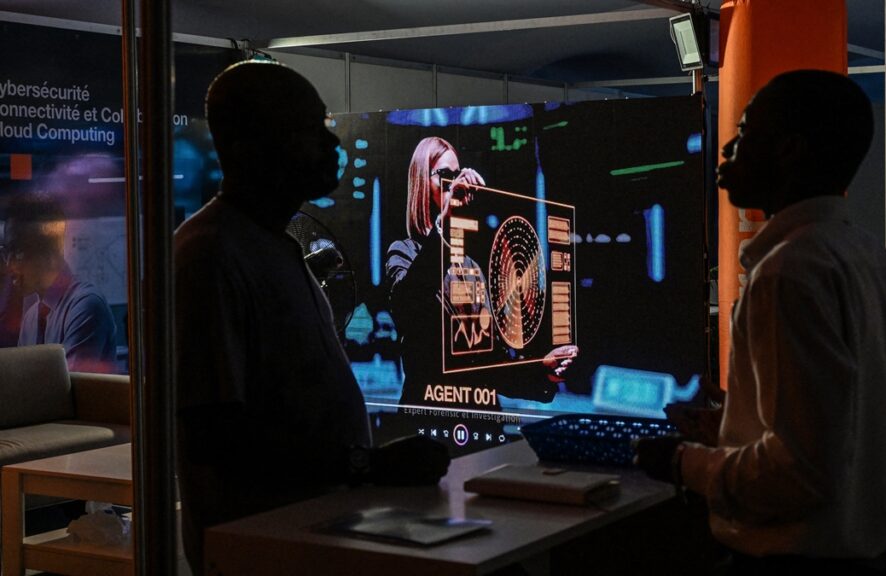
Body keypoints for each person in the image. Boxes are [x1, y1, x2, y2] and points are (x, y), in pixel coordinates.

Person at [636, 70, 886, 575]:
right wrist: (740, 427)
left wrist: (680, 461)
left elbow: (800, 471)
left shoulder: (787, 275)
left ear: (790, 150)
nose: (727, 148)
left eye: (744, 133)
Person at [174, 61, 450, 573]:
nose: (330, 145)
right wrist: (366, 464)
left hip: (313, 534)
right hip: (263, 547)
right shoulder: (210, 254)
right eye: (307, 130)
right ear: (249, 148)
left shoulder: (274, 244)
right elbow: (215, 434)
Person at [385, 136, 576, 409]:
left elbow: (489, 364)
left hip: (480, 414)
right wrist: (446, 223)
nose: (454, 183)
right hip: (429, 413)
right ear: (421, 183)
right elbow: (407, 306)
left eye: (457, 175)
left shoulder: (471, 266)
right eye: (445, 175)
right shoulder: (404, 252)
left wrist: (542, 371)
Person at [1, 193, 116, 372]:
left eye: (17, 252)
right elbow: (23, 382)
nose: (9, 265)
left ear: (50, 251)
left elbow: (64, 387)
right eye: (6, 253)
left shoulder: (86, 306)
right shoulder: (31, 318)